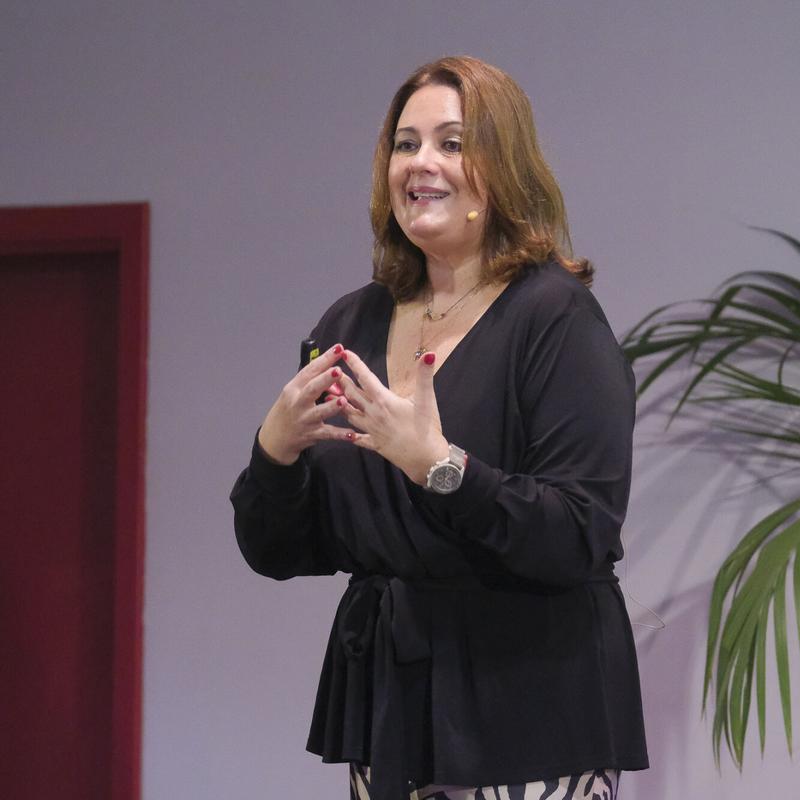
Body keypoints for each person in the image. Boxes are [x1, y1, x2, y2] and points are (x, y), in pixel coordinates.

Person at [230, 56, 648, 800]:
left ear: (504, 168)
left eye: (452, 143)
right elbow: (283, 550)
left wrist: (440, 467)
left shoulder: (555, 317)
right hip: (391, 709)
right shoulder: (350, 324)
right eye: (405, 144)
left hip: (530, 704)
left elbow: (578, 532)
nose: (421, 163)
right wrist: (276, 451)